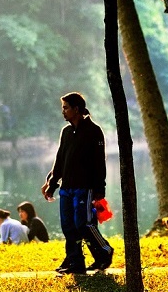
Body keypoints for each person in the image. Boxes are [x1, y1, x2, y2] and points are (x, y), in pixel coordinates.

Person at [41, 92, 114, 274]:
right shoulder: (66, 132)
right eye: (63, 108)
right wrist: (52, 184)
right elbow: (60, 160)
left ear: (76, 109)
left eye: (66, 108)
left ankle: (104, 251)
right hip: (66, 188)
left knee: (84, 224)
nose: (63, 111)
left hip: (85, 187)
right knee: (69, 226)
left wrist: (100, 188)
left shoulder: (93, 131)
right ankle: (76, 262)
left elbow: (99, 162)